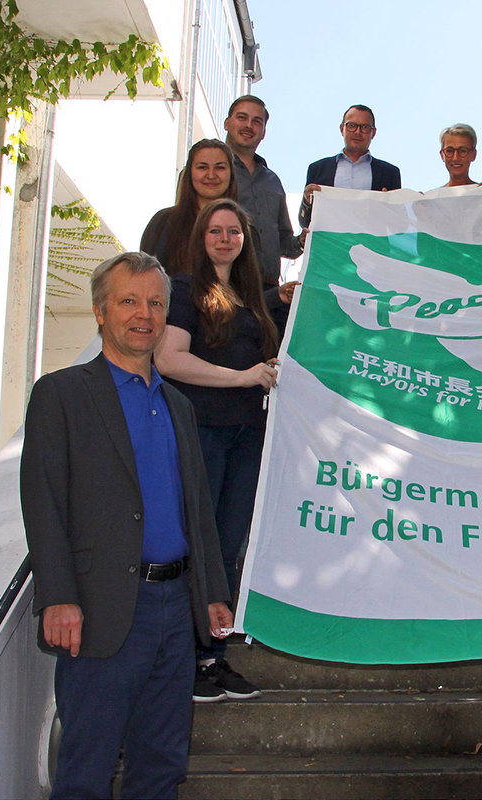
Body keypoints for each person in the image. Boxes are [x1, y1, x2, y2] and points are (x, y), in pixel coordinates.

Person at [20, 252, 231, 798]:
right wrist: (58, 596)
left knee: (161, 766)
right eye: (129, 301)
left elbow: (198, 512)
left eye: (156, 303)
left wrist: (210, 592)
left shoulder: (180, 406)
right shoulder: (61, 395)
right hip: (99, 608)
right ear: (99, 311)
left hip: (173, 612)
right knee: (86, 768)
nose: (144, 314)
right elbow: (43, 503)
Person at [154, 198, 282, 703]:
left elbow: (257, 360)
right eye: (215, 231)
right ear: (201, 238)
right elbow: (169, 360)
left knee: (229, 547)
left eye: (234, 231)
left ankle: (216, 657)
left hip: (248, 433)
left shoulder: (252, 297)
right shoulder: (184, 290)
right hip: (202, 429)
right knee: (199, 544)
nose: (225, 238)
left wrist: (266, 367)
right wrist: (243, 377)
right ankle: (187, 657)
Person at [224, 94, 304, 288]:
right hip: (224, 285)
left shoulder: (272, 181)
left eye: (256, 121)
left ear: (264, 132)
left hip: (268, 291)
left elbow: (284, 242)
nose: (248, 126)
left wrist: (301, 241)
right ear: (227, 123)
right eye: (242, 118)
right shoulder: (211, 170)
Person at [140, 138, 240, 275]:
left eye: (220, 167)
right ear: (190, 173)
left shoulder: (243, 229)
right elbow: (145, 278)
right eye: (202, 167)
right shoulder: (164, 222)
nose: (211, 175)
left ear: (231, 174)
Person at [299, 104, 402, 228]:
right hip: (330, 245)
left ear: (373, 133)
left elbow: (398, 224)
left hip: (370, 246)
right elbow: (305, 223)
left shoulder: (389, 173)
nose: (358, 132)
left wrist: (396, 205)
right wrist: (306, 202)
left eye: (365, 127)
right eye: (352, 126)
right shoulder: (318, 169)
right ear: (342, 129)